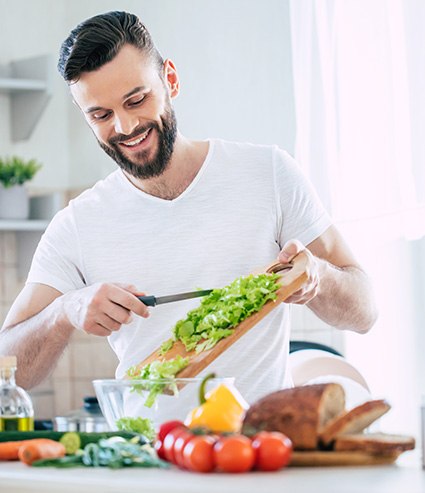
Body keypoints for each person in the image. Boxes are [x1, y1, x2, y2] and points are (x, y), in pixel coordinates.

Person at [0, 11, 377, 403]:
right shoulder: (77, 224)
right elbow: (8, 369)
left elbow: (364, 312)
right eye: (101, 115)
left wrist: (318, 277)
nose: (125, 126)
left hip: (260, 454)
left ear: (171, 80)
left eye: (137, 99)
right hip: (144, 457)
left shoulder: (268, 174)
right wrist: (65, 310)